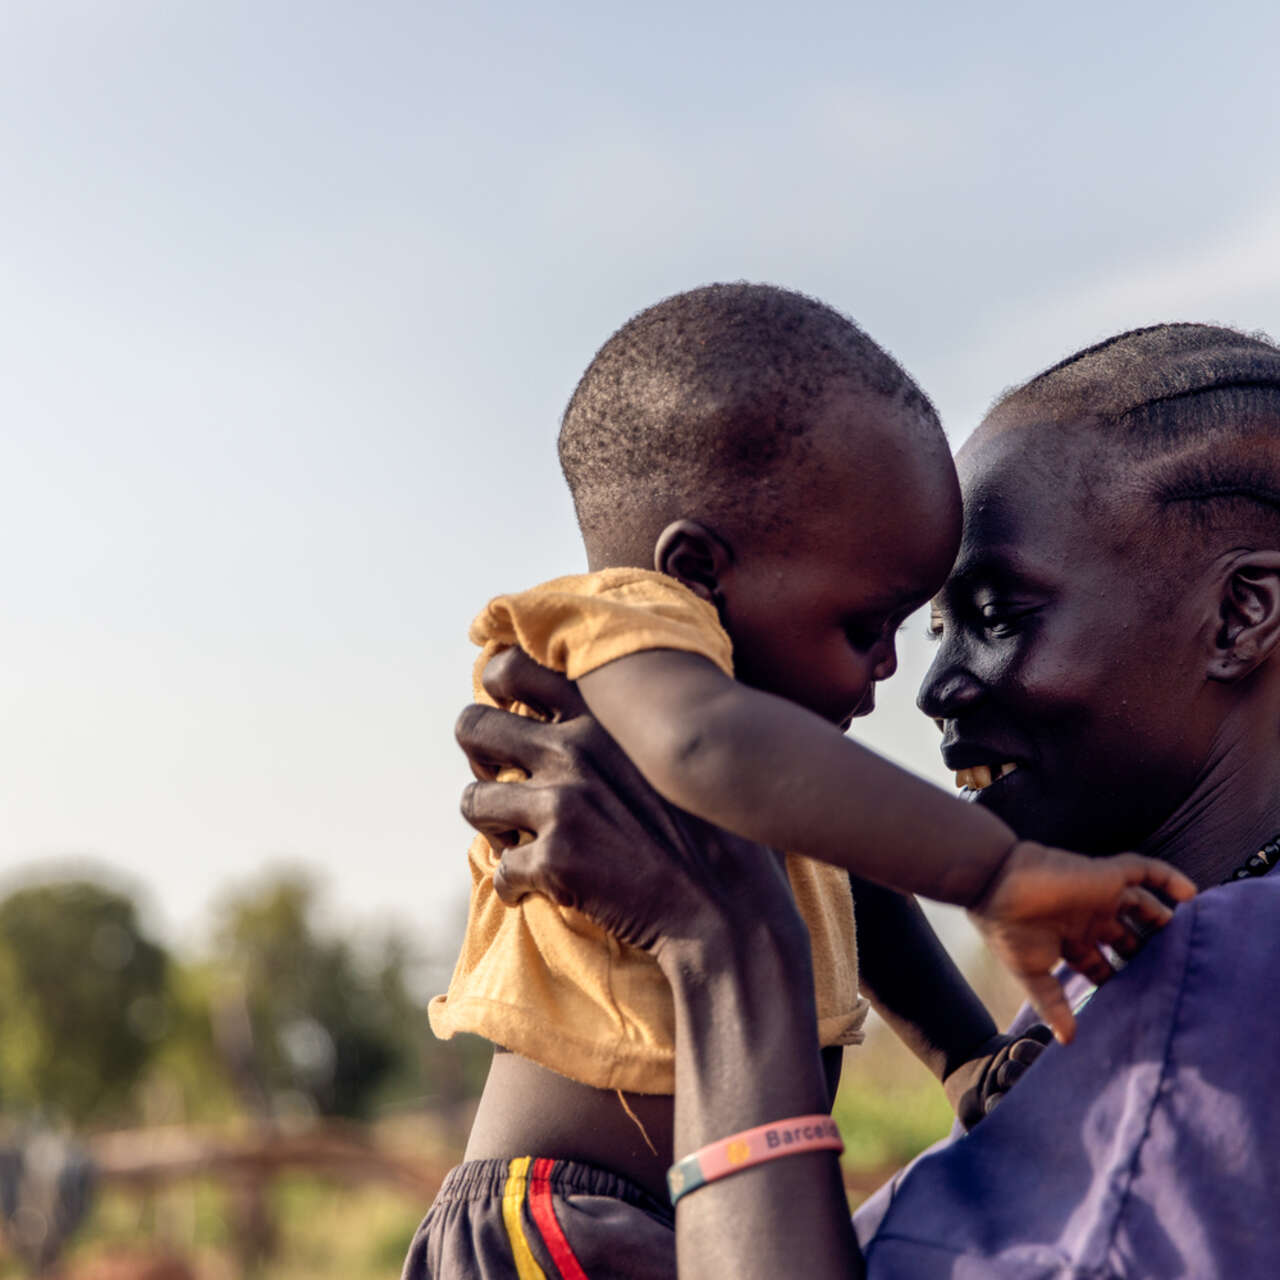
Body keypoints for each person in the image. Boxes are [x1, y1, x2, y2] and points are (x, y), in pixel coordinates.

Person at [438, 322, 1280, 1278]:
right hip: (553, 1220)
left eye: (998, 617)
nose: (917, 682)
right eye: (894, 625)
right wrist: (992, 879)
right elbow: (701, 742)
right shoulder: (633, 631)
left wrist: (748, 952)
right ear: (699, 575)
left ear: (1243, 614)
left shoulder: (1222, 980)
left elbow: (854, 884)